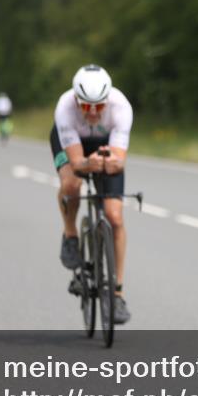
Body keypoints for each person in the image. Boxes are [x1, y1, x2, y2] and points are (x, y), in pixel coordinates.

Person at [51, 65, 133, 324]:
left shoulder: (121, 107)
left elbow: (119, 162)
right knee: (71, 184)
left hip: (105, 145)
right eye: (87, 106)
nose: (94, 112)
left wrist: (108, 162)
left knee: (114, 216)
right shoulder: (65, 108)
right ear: (77, 100)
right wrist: (88, 163)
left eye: (99, 106)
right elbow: (76, 163)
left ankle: (117, 294)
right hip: (71, 144)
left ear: (108, 100)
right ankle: (70, 234)